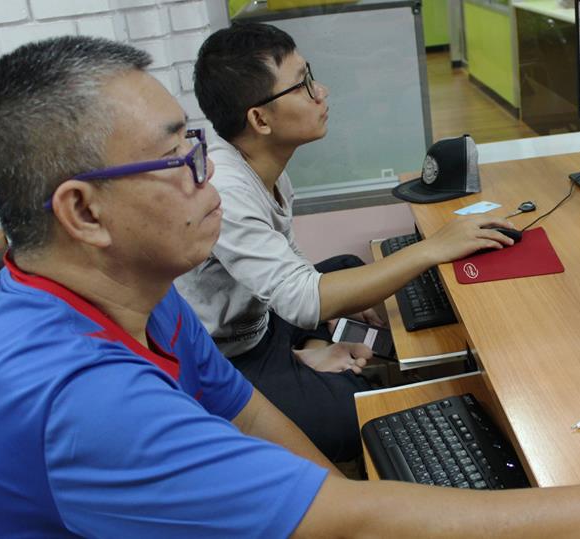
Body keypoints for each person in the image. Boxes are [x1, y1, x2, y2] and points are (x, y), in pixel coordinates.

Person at [0, 35, 580, 537]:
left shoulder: (108, 295)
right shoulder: (89, 403)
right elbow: (347, 525)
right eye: (177, 158)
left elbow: (247, 411)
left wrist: (328, 495)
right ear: (84, 212)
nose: (205, 174)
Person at [174, 22, 517, 462]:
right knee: (357, 414)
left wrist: (320, 328)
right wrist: (431, 248)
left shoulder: (263, 165)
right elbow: (301, 300)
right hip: (229, 358)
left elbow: (292, 264)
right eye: (303, 85)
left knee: (344, 268)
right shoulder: (227, 190)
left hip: (262, 322)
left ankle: (308, 354)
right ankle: (305, 360)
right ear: (259, 119)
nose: (322, 92)